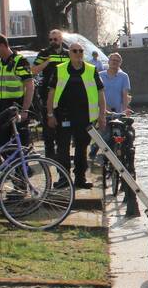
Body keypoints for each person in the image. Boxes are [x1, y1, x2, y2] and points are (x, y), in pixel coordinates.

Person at [45, 41, 106, 189]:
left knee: (81, 148)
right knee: (63, 149)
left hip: (84, 116)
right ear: (69, 53)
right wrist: (50, 114)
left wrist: (102, 115)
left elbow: (100, 93)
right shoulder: (60, 70)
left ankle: (80, 179)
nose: (78, 54)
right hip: (63, 115)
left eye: (80, 51)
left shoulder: (91, 70)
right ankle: (64, 179)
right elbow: (51, 93)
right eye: (74, 51)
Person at [0, 33, 35, 146]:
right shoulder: (0, 64)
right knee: (1, 144)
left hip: (16, 107)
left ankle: (22, 164)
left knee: (20, 146)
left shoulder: (19, 61)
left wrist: (25, 110)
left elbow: (30, 86)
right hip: (3, 108)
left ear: (3, 45)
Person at [32, 30, 69, 165]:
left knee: (64, 125)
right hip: (47, 93)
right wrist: (46, 62)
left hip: (64, 94)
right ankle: (49, 155)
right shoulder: (44, 53)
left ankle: (62, 153)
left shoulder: (67, 53)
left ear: (61, 39)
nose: (53, 42)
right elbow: (34, 70)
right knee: (48, 126)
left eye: (56, 39)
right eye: (51, 40)